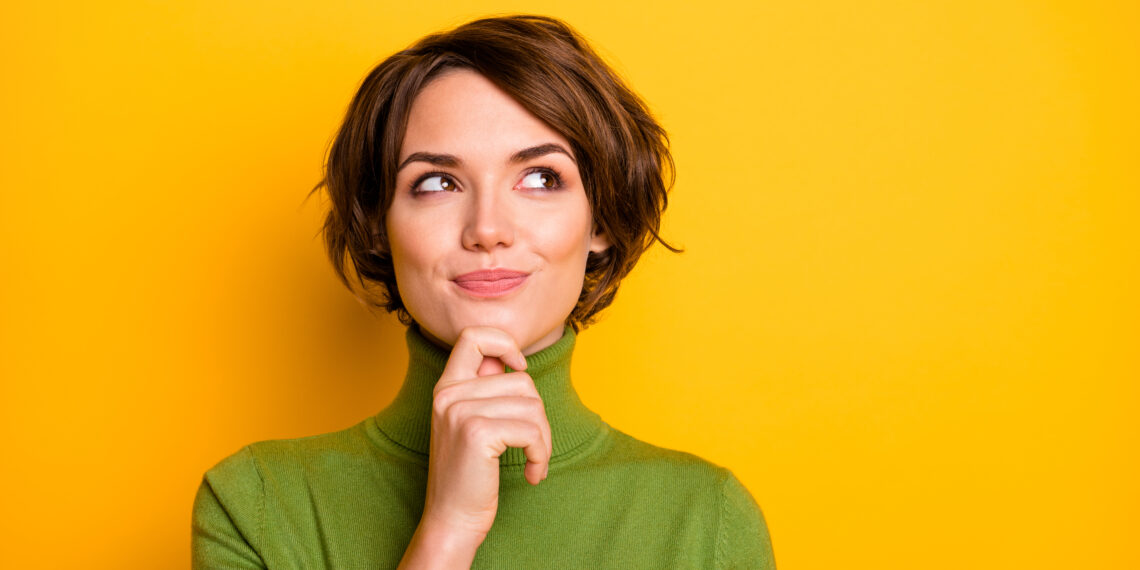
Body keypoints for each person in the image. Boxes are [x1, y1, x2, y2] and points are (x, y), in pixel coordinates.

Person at [192, 14, 775, 569]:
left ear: (600, 220)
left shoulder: (706, 520)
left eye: (541, 178)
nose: (487, 229)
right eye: (438, 182)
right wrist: (447, 531)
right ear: (380, 225)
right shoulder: (258, 506)